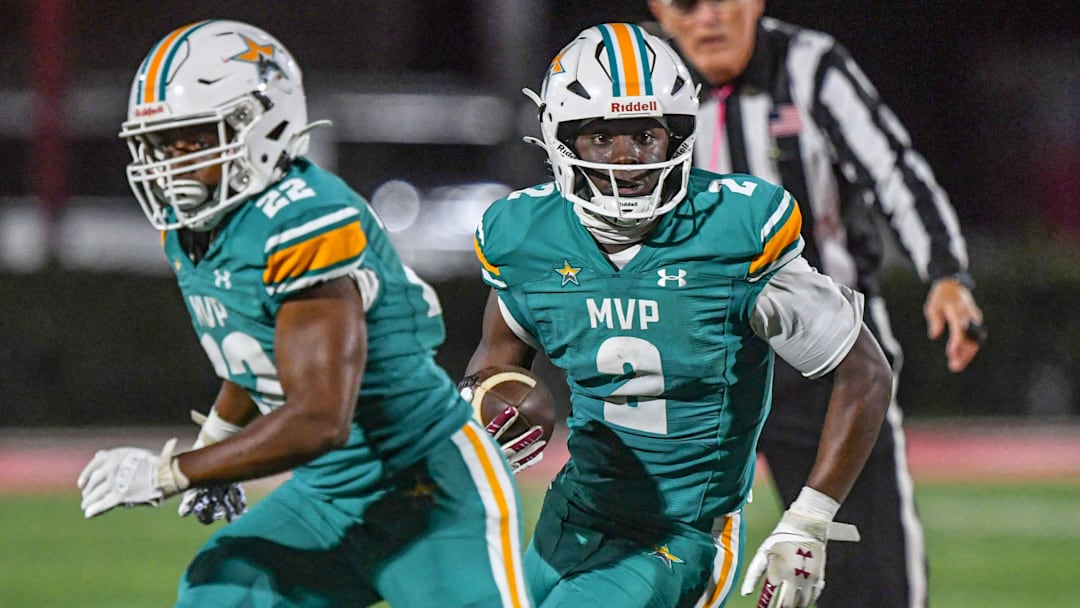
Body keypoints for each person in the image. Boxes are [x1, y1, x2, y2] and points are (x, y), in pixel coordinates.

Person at [76, 20, 531, 608]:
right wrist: (219, 441)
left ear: (258, 126)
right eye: (160, 143)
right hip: (324, 496)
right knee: (221, 591)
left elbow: (319, 418)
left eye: (191, 138)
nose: (169, 162)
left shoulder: (305, 218)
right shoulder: (193, 230)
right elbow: (254, 351)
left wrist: (175, 471)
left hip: (427, 492)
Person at [465, 22, 893, 608]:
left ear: (679, 135)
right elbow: (494, 360)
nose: (627, 159)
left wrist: (809, 521)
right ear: (559, 140)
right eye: (600, 137)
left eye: (646, 135)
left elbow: (864, 371)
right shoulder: (528, 237)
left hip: (680, 535)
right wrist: (494, 398)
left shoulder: (732, 233)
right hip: (573, 515)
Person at [646, 2, 987, 606]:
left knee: (868, 574)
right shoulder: (637, 76)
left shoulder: (809, 67)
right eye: (685, 3)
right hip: (696, 360)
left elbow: (893, 170)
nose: (708, 18)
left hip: (831, 358)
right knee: (654, 569)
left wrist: (945, 273)